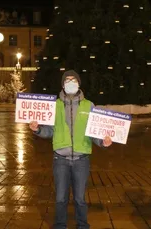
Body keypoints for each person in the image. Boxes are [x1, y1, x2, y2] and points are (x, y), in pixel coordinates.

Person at [29, 70, 113, 229]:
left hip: (82, 160)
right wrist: (37, 129)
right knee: (60, 198)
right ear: (63, 84)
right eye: (67, 80)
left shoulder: (89, 105)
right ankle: (60, 226)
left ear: (79, 83)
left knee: (80, 198)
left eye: (73, 80)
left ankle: (82, 225)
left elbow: (94, 131)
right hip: (60, 159)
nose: (70, 82)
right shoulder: (54, 105)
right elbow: (50, 131)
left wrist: (103, 142)